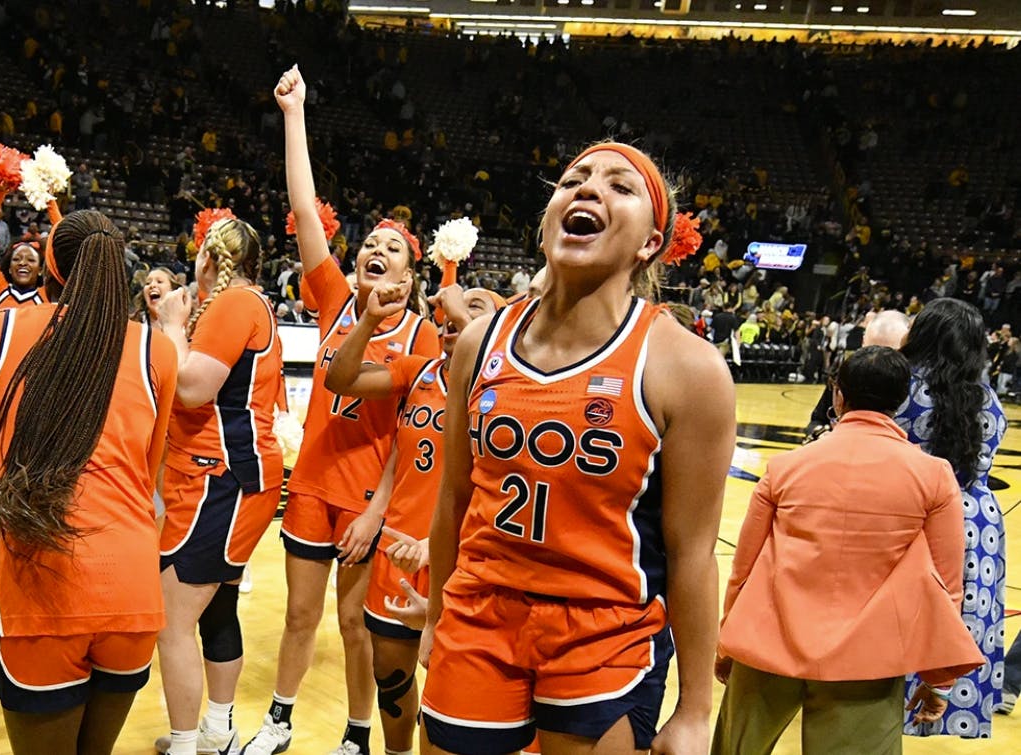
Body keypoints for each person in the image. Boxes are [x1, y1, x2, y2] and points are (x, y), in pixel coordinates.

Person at [421, 139, 734, 755]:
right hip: (479, 611)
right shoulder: (479, 343)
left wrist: (695, 709)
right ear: (546, 224)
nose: (588, 188)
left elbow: (693, 553)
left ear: (651, 242)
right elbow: (453, 498)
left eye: (620, 186)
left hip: (607, 628)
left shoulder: (686, 367)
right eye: (574, 180)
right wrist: (436, 615)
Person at [244, 67, 439, 755]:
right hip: (311, 484)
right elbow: (304, 209)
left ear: (410, 277)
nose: (376, 250)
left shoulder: (421, 338)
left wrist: (377, 511)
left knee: (356, 626)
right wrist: (295, 113)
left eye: (393, 248)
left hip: (364, 498)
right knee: (298, 616)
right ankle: (279, 720)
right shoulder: (333, 298)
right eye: (371, 243)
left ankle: (358, 735)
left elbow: (406, 430)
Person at [0, 209, 178, 754]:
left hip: (40, 584)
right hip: (132, 587)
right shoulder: (157, 349)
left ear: (51, 267)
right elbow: (149, 476)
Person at [712, 346, 983, 754]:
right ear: (902, 399)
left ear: (838, 395)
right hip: (869, 661)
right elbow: (946, 586)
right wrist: (939, 678)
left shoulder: (786, 467)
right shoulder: (934, 476)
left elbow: (744, 569)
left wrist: (728, 641)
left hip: (768, 643)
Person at [323, 283, 502, 755]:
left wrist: (461, 312)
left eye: (474, 308)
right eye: (448, 310)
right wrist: (368, 320)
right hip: (397, 550)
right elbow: (340, 380)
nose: (452, 315)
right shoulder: (416, 371)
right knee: (391, 676)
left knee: (450, 685)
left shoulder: (501, 391)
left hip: (460, 561)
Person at [149, 216, 282, 755]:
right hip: (221, 476)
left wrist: (171, 326)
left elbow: (191, 388)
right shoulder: (242, 304)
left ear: (207, 258)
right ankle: (217, 732)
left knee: (171, 621)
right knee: (218, 609)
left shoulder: (234, 304)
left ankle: (187, 746)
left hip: (221, 478)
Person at [893, 297, 1008, 740]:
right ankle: (950, 699)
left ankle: (885, 706)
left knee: (902, 616)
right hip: (977, 523)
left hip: (916, 515)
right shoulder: (989, 400)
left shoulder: (903, 389)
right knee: (961, 616)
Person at [0, 184, 58, 311]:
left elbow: (63, 245)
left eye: (31, 260)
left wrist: (50, 200)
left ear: (40, 269)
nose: (22, 263)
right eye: (16, 259)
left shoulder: (48, 296)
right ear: (9, 268)